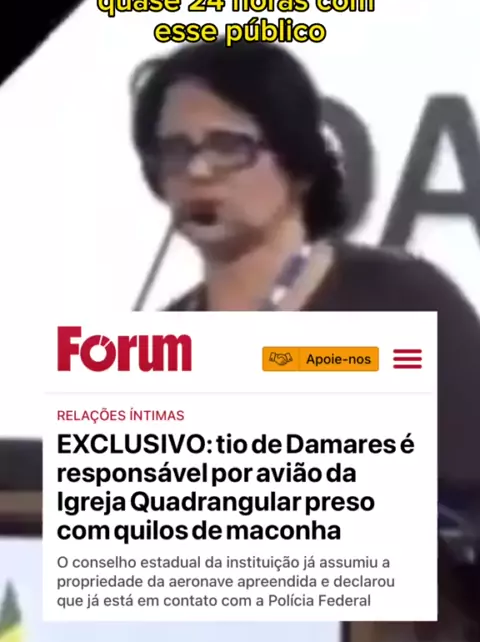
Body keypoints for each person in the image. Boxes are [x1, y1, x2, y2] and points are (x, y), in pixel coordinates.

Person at [131, 38, 480, 492]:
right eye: (176, 150)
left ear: (297, 163)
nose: (197, 171)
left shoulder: (402, 300)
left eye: (228, 146)